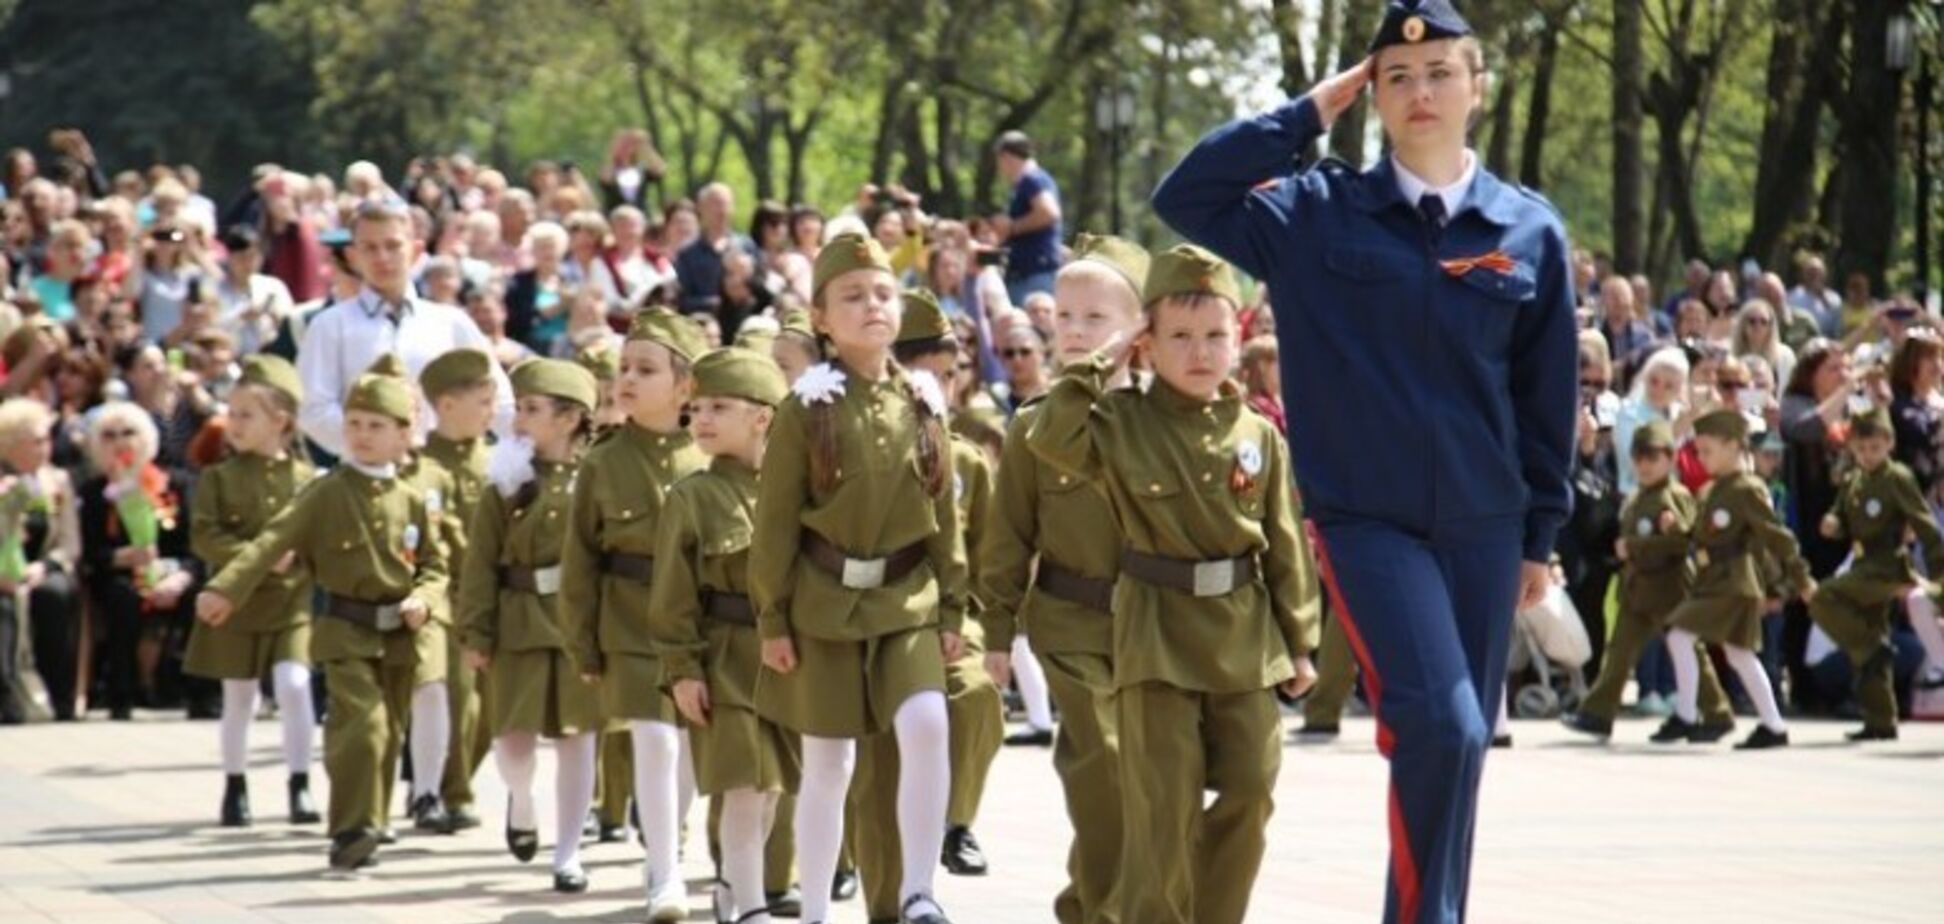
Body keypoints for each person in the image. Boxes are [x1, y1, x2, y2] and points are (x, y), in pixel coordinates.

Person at [1152, 3, 1577, 919]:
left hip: (1486, 525)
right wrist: (1307, 113)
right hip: (1367, 522)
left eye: (1439, 75)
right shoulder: (1315, 211)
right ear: (1372, 96)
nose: (1420, 93)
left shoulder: (1529, 230)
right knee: (1443, 722)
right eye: (1396, 79)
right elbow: (1184, 196)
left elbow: (1547, 398)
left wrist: (1542, 534)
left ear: (1476, 87)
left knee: (1457, 746)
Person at [1023, 245, 1318, 924]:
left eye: (1216, 335)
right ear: (1147, 345)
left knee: (1251, 791)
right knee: (1165, 810)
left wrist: (1300, 642)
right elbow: (1050, 437)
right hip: (1154, 636)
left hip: (1243, 637)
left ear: (1238, 340)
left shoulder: (1256, 434)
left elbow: (1282, 544)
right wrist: (1104, 360)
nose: (1200, 352)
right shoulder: (1118, 423)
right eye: (1179, 337)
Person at [748, 234, 965, 924]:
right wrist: (772, 619)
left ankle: (919, 891)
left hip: (907, 599)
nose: (871, 305)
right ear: (820, 318)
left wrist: (954, 609)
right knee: (830, 764)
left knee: (928, 723)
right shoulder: (806, 410)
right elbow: (776, 525)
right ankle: (813, 908)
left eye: (881, 292)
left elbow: (944, 514)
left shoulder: (924, 400)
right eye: (852, 296)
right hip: (824, 605)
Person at [196, 354, 449, 871]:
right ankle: (350, 829)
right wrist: (225, 588)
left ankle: (373, 820)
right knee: (362, 726)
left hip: (398, 636)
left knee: (389, 731)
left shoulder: (413, 500)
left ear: (405, 434)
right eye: (354, 424)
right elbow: (271, 541)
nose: (362, 435)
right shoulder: (325, 491)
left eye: (376, 426)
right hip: (344, 630)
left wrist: (424, 598)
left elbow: (435, 567)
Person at [980, 233, 1148, 924]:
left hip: (1158, 628)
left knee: (1145, 785)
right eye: (1066, 317)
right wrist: (995, 631)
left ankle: (1087, 904)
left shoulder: (1162, 419)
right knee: (1101, 769)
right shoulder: (1035, 425)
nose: (1075, 333)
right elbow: (1007, 538)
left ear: (1137, 330)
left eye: (1096, 319)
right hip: (1070, 624)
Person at [845, 289, 1006, 923]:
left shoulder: (966, 458)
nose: (942, 386)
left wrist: (996, 630)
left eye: (950, 373)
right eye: (928, 373)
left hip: (947, 619)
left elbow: (991, 556)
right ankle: (890, 903)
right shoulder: (843, 440)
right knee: (878, 772)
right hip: (863, 617)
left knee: (974, 698)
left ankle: (951, 819)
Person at [561, 309, 709, 918]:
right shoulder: (601, 460)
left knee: (689, 749)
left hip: (699, 627)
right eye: (623, 367)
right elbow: (580, 563)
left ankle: (669, 841)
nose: (626, 378)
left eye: (644, 369)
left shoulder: (708, 454)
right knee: (654, 739)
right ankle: (663, 873)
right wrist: (582, 644)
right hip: (628, 621)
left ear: (685, 387)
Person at [650, 346, 796, 924]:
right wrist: (682, 671)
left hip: (788, 660)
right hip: (724, 656)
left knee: (772, 790)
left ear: (762, 417)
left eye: (719, 407)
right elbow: (672, 597)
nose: (701, 419)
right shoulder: (690, 495)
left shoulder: (795, 491)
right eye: (696, 408)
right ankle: (753, 907)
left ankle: (735, 892)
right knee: (743, 783)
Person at [459, 359, 602, 893]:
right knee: (513, 745)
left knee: (577, 741)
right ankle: (520, 802)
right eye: (518, 406)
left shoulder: (596, 475)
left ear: (570, 419)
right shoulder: (505, 475)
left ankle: (568, 853)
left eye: (532, 409)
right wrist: (476, 631)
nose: (519, 418)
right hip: (518, 618)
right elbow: (479, 562)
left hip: (576, 623)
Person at [184, 356, 320, 826]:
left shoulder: (308, 480)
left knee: (295, 685)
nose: (233, 423)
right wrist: (256, 554)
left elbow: (320, 537)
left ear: (280, 421)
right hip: (236, 602)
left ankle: (300, 783)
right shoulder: (217, 477)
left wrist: (297, 555)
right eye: (232, 412)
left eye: (246, 414)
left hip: (290, 602)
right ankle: (235, 787)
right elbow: (204, 535)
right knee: (239, 696)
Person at [1560, 418, 1734, 742]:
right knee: (1620, 652)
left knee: (1689, 652)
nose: (1644, 465)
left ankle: (1716, 712)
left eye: (1653, 457)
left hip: (1670, 587)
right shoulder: (1638, 496)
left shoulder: (1673, 495)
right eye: (1638, 457)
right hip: (1639, 590)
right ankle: (1598, 713)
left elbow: (1684, 542)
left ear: (1670, 458)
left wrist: (1636, 546)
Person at [296, 200, 513, 459]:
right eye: (370, 248)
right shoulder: (331, 325)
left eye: (393, 245)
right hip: (367, 475)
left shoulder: (450, 322)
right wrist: (376, 444)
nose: (382, 258)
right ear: (353, 256)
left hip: (443, 470)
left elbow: (497, 399)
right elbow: (313, 408)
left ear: (416, 251)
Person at [1662, 408, 1814, 749]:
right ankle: (1773, 725)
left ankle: (1686, 715)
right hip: (1716, 581)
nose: (1701, 458)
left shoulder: (1748, 488)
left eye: (1708, 451)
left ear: (1733, 446)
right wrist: (1678, 529)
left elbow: (1777, 536)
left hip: (1733, 583)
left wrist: (1800, 578)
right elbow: (1702, 534)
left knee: (1679, 635)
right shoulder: (1713, 489)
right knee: (1739, 655)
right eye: (1698, 451)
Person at [403, 349, 499, 834]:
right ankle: (449, 791)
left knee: (496, 704)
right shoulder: (420, 465)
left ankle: (441, 781)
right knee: (459, 696)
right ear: (446, 404)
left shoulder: (499, 458)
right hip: (446, 597)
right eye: (481, 400)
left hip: (495, 596)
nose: (492, 408)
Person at [1809, 407, 1944, 741]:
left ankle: (1872, 649)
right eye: (1861, 448)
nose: (1868, 455)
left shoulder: (1896, 477)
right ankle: (1880, 719)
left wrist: (1940, 572)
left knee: (1824, 596)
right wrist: (1834, 523)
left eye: (1875, 448)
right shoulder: (1854, 480)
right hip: (1862, 564)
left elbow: (1923, 523)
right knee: (1868, 633)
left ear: (1889, 444)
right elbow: (1841, 514)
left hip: (1887, 565)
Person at [81, 402, 201, 721]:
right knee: (122, 596)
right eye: (109, 435)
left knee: (203, 594)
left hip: (173, 571)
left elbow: (196, 547)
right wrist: (122, 557)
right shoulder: (94, 493)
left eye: (129, 432)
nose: (121, 442)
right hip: (118, 574)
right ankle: (122, 694)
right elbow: (89, 553)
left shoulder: (176, 484)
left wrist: (178, 576)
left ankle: (199, 693)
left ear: (147, 438)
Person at [0, 398, 82, 724]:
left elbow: (69, 543)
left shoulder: (57, 481)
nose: (45, 447)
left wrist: (43, 568)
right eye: (36, 441)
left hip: (42, 567)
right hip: (4, 573)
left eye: (47, 439)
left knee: (55, 595)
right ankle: (10, 697)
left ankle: (59, 696)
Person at [992, 132, 1064, 304]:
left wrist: (1012, 227)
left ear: (1006, 156)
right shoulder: (1034, 180)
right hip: (1032, 272)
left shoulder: (1031, 179)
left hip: (1034, 274)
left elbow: (1049, 213)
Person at [675, 183, 760, 318]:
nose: (722, 210)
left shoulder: (747, 245)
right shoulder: (688, 252)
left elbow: (759, 287)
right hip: (702, 322)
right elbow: (682, 299)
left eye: (726, 204)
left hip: (742, 320)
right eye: (715, 204)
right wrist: (717, 303)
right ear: (701, 208)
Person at [213, 224, 295, 355]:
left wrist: (276, 317)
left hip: (269, 356)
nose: (248, 263)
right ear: (229, 257)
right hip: (229, 358)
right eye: (242, 258)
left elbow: (292, 325)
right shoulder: (214, 290)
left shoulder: (273, 286)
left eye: (253, 257)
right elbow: (209, 331)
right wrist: (240, 318)